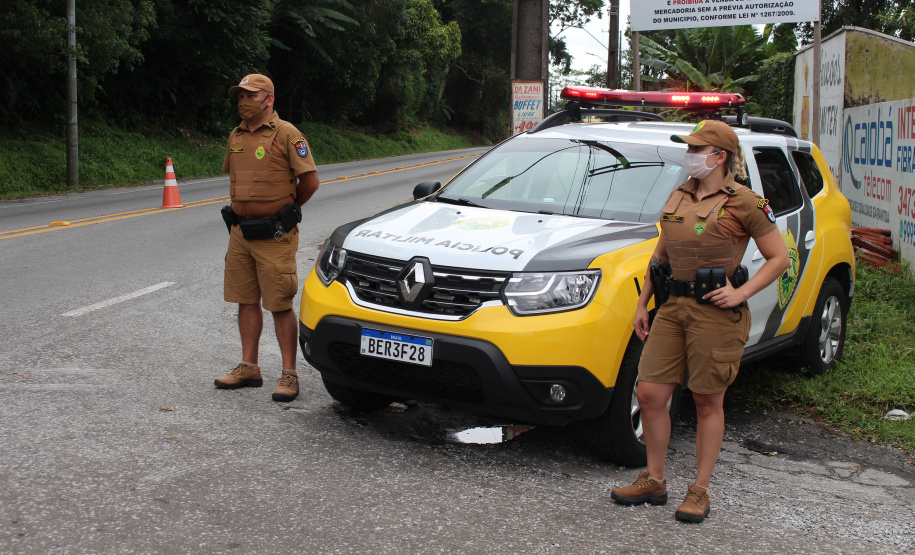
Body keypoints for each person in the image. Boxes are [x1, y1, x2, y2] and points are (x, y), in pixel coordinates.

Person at [611, 120, 789, 522]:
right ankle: (654, 480)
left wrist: (741, 293)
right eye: (689, 149)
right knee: (650, 394)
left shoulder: (746, 202)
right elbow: (661, 254)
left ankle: (699, 490)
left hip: (715, 313)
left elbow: (779, 258)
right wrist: (643, 303)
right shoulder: (679, 194)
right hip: (672, 307)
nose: (690, 155)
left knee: (708, 401)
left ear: (719, 156)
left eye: (697, 149)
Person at [214, 73, 320, 402]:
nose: (243, 101)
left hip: (274, 233)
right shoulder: (236, 135)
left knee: (279, 303)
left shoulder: (287, 133)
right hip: (240, 232)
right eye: (240, 96)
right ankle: (249, 366)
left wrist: (288, 210)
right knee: (245, 300)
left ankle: (289, 374)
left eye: (250, 95)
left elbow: (310, 181)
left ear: (268, 99)